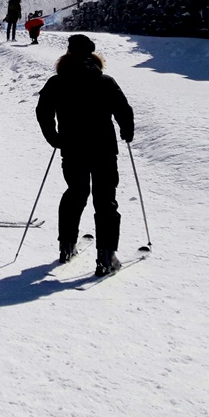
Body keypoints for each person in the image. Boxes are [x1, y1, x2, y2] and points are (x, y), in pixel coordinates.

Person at [35, 34, 135, 277]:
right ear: (92, 56)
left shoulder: (57, 82)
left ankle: (66, 246)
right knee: (105, 199)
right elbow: (123, 109)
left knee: (75, 193)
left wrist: (53, 137)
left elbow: (43, 111)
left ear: (68, 54)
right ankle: (106, 256)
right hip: (103, 148)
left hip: (72, 147)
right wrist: (126, 131)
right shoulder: (105, 81)